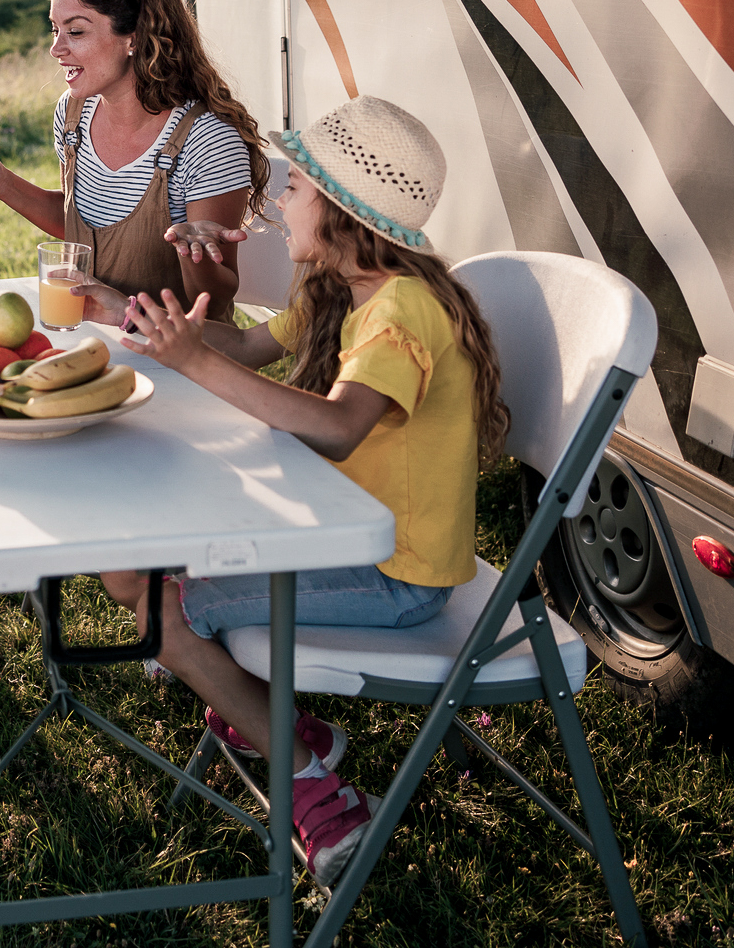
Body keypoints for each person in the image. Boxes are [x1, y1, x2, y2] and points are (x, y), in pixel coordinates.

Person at [98, 96, 510, 887]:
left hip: (395, 572)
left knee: (161, 606)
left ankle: (311, 781)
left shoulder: (401, 312)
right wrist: (134, 314)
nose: (279, 196)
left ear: (342, 211)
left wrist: (191, 363)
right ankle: (274, 722)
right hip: (338, 534)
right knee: (132, 573)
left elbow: (336, 427)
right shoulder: (346, 291)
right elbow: (248, 345)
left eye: (296, 186)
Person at [0, 0, 274, 724]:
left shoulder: (204, 143)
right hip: (88, 350)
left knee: (90, 534)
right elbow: (77, 228)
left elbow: (213, 304)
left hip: (180, 374)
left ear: (135, 35)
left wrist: (192, 258)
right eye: (53, 30)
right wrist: (2, 187)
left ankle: (179, 617)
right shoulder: (75, 115)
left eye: (75, 31)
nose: (55, 51)